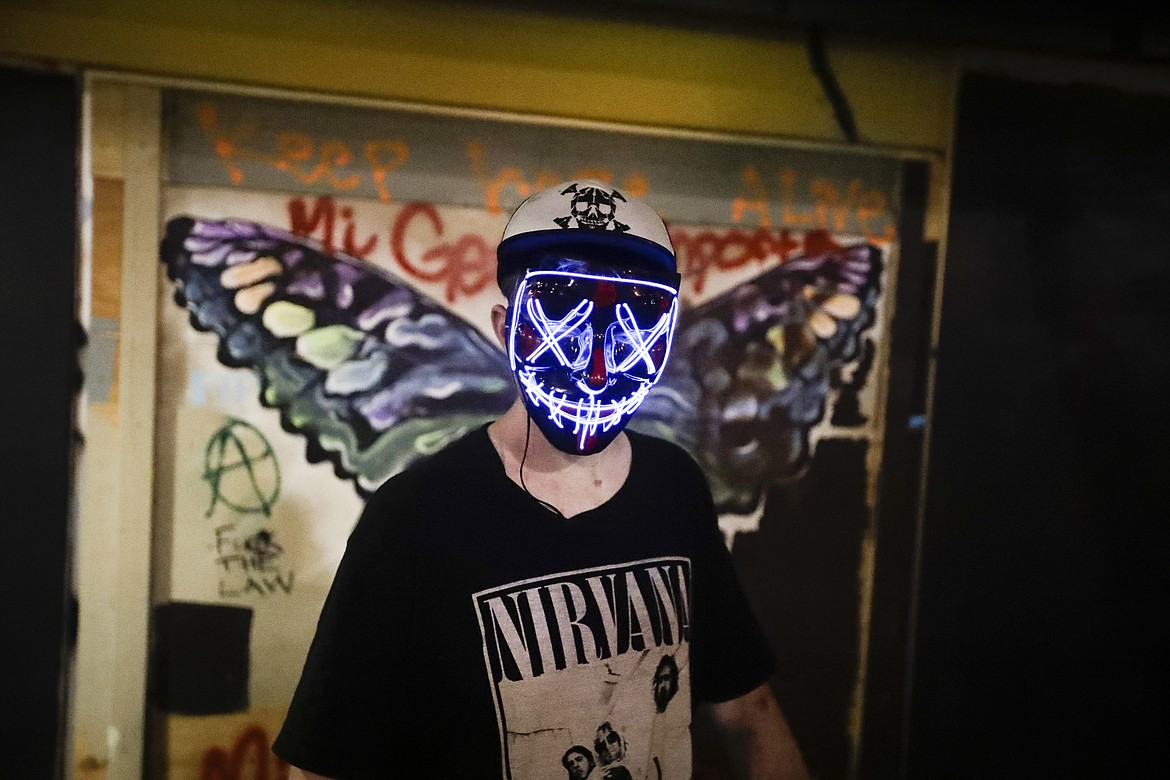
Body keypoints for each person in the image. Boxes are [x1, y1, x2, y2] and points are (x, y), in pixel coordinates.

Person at [273, 180, 811, 779]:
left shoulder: (673, 486)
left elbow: (750, 710)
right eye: (561, 308)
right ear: (506, 328)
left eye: (635, 316)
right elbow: (326, 764)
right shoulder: (416, 515)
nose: (599, 364)